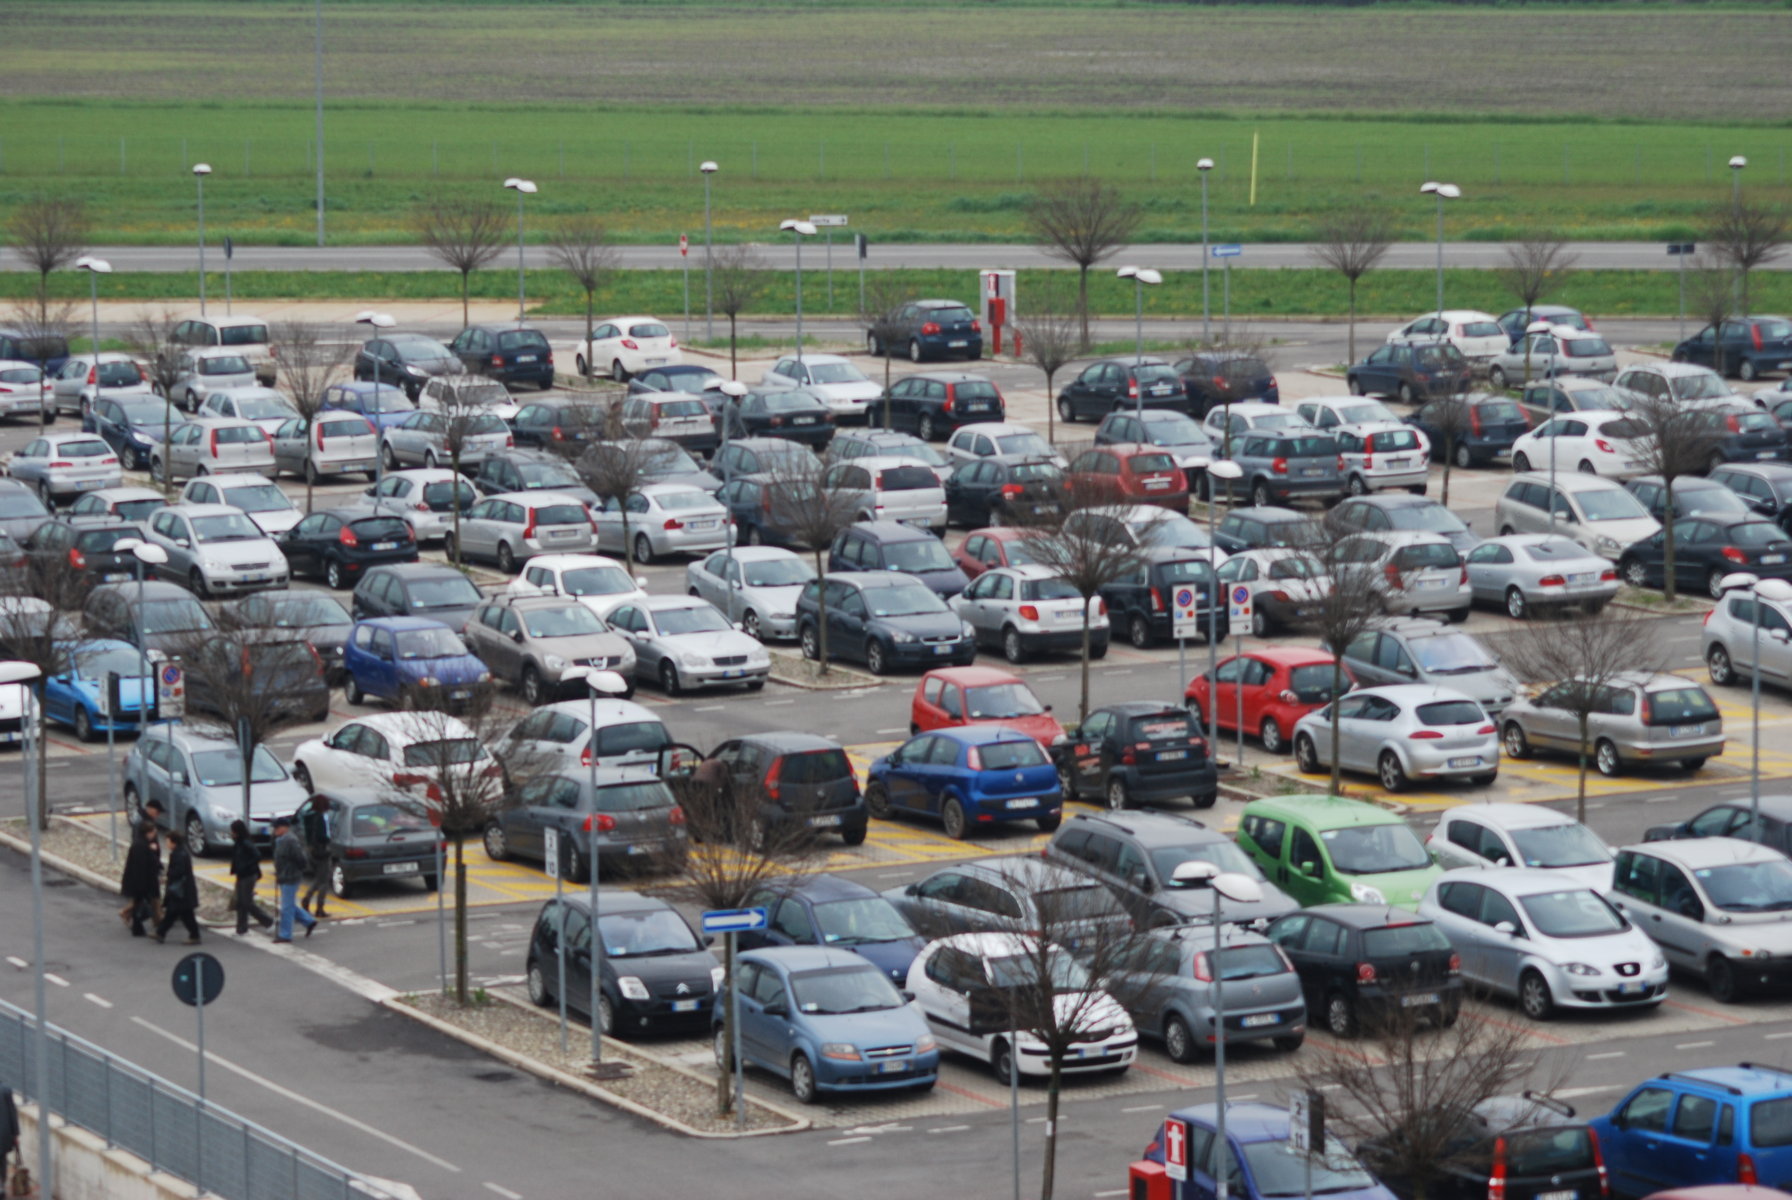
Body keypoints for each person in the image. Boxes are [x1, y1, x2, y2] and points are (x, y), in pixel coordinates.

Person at [152, 828, 200, 945]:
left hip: (181, 890)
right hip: (183, 890)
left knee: (176, 913)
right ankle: (161, 933)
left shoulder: (178, 855)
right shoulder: (180, 853)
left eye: (168, 841)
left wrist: (168, 874)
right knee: (177, 913)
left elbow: (178, 871)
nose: (166, 844)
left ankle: (162, 933)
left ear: (174, 842)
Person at [272, 815, 316, 944]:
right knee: (289, 904)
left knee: (286, 907)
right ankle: (309, 921)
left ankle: (285, 934)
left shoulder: (290, 840)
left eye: (277, 828)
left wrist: (296, 870)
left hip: (290, 876)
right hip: (284, 876)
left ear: (284, 828)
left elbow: (301, 858)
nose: (275, 830)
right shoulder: (280, 840)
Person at [227, 820, 273, 936]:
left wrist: (245, 866)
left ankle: (268, 921)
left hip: (248, 875)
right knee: (241, 902)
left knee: (246, 902)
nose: (231, 833)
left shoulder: (245, 843)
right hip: (241, 875)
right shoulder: (239, 842)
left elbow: (257, 855)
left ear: (237, 832)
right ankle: (241, 928)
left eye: (233, 831)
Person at [118, 820, 161, 937]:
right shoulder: (142, 846)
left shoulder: (141, 844)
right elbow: (142, 866)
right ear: (148, 832)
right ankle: (138, 926)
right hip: (142, 882)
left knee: (138, 904)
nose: (155, 835)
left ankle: (136, 926)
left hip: (140, 881)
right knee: (141, 904)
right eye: (153, 832)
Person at [299, 795, 333, 920]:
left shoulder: (309, 816)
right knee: (323, 881)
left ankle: (307, 899)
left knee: (318, 879)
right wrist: (328, 839)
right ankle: (319, 908)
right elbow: (322, 836)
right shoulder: (320, 818)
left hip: (312, 852)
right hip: (322, 851)